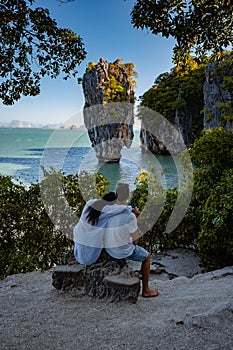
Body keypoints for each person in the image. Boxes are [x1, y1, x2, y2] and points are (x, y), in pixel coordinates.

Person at [104, 183, 159, 298]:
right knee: (146, 256)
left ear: (116, 194)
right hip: (121, 251)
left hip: (109, 248)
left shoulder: (109, 210)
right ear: (128, 196)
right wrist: (136, 231)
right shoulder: (130, 216)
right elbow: (135, 241)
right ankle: (146, 290)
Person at [73, 191, 132, 265]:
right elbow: (128, 209)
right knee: (88, 260)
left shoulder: (90, 203)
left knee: (81, 256)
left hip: (79, 236)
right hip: (91, 244)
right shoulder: (109, 209)